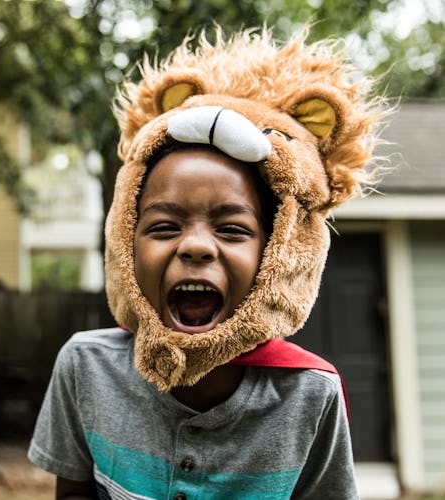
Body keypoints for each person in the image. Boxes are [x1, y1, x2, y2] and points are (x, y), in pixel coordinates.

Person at [29, 26, 386, 500]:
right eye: (164, 226)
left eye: (231, 229)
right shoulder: (84, 367)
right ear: (125, 243)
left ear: (276, 256)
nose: (196, 247)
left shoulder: (310, 396)